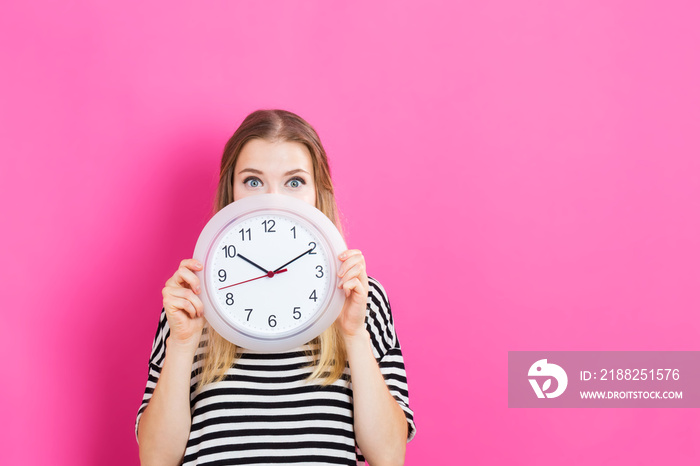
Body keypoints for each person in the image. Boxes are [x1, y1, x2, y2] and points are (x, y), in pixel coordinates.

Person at [135, 109, 416, 466]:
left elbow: (389, 457)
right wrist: (183, 343)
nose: (273, 200)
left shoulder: (362, 298)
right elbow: (156, 459)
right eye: (253, 181)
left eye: (294, 182)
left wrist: (354, 333)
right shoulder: (190, 298)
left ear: (318, 193)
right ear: (231, 192)